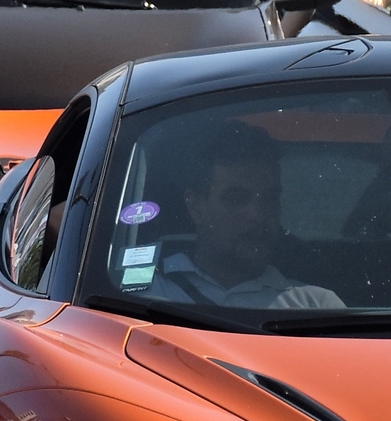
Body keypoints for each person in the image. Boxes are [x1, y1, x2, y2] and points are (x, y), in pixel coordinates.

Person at [141, 125, 345, 310]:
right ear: (196, 207)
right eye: (237, 199)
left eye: (270, 199)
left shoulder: (318, 306)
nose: (257, 215)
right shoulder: (140, 297)